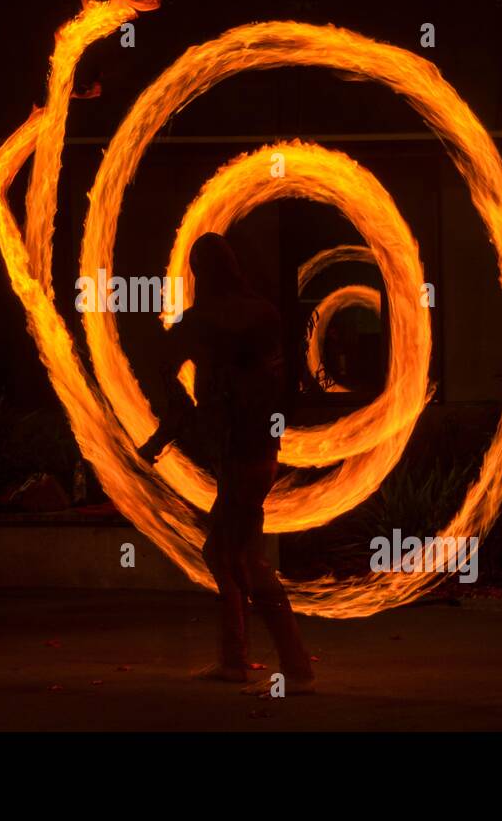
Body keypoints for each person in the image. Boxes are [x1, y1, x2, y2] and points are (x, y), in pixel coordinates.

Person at [137, 232, 315, 694]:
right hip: (262, 452)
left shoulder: (200, 322)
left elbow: (165, 368)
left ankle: (292, 668)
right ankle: (237, 658)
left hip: (240, 454)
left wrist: (164, 435)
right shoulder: (264, 313)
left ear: (200, 273)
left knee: (238, 558)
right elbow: (283, 386)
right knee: (230, 553)